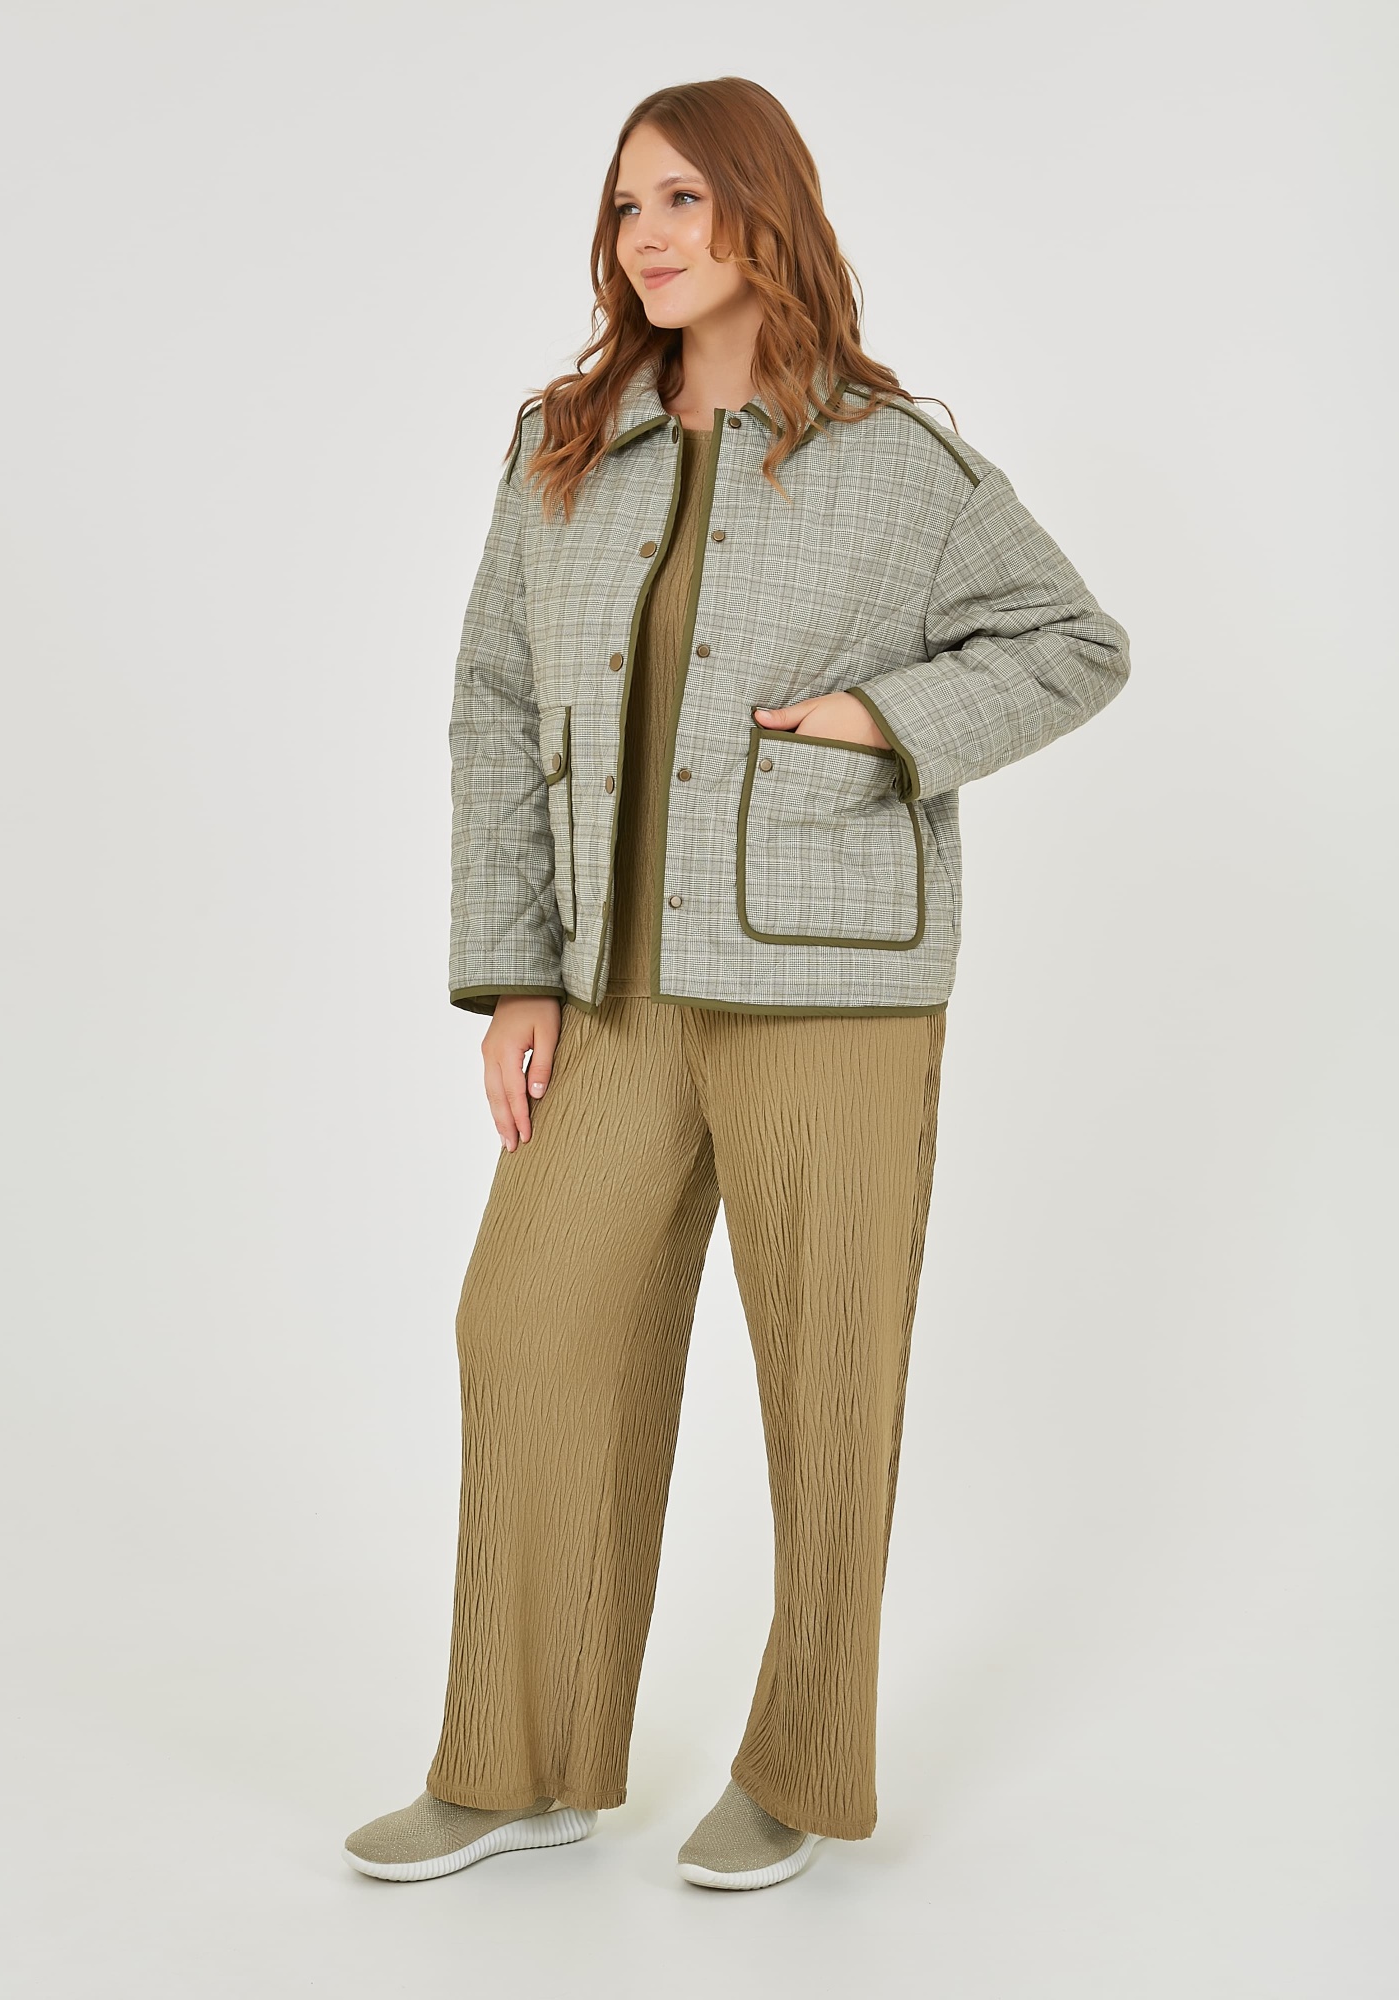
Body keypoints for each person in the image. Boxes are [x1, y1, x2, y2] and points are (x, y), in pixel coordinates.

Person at [344, 75, 1130, 1893]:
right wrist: (515, 976)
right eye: (627, 206)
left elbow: (1073, 643)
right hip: (610, 998)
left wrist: (881, 720)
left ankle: (797, 1769)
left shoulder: (898, 463)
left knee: (826, 1385)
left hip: (832, 993)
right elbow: (491, 709)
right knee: (525, 1331)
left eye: (685, 197)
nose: (650, 236)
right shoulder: (562, 444)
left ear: (769, 211)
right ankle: (520, 1761)